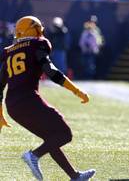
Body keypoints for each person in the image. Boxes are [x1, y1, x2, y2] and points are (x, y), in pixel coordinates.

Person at [0, 16, 96, 180]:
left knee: (51, 137)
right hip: (27, 100)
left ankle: (74, 176)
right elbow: (51, 72)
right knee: (64, 134)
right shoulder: (37, 45)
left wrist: (0, 113)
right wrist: (76, 90)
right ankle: (34, 155)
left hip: (13, 106)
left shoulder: (9, 51)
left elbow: (0, 85)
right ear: (35, 29)